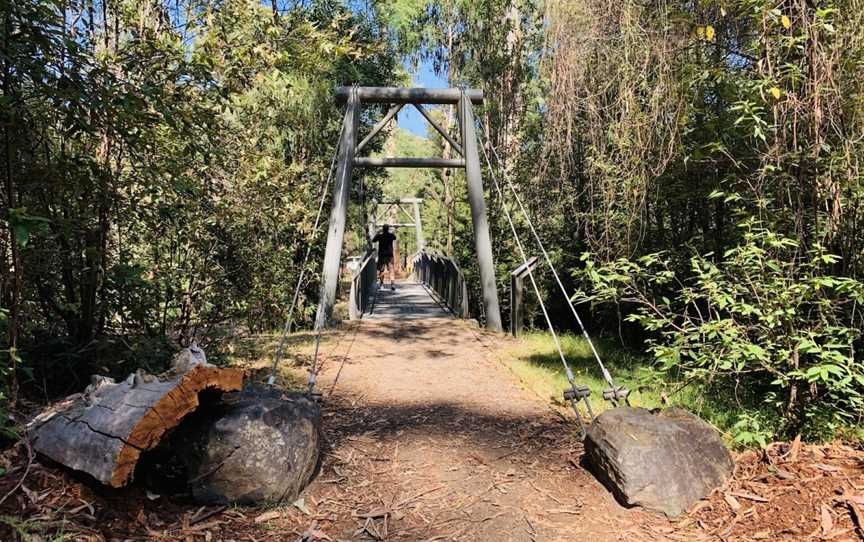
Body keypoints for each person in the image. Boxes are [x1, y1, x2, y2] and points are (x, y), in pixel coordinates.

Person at [372, 225, 397, 290]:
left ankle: (381, 284)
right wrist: (392, 232)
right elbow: (395, 237)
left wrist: (377, 233)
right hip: (389, 255)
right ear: (388, 229)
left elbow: (373, 240)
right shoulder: (391, 235)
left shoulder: (380, 236)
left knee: (381, 270)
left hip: (382, 255)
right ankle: (392, 284)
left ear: (383, 229)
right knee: (391, 270)